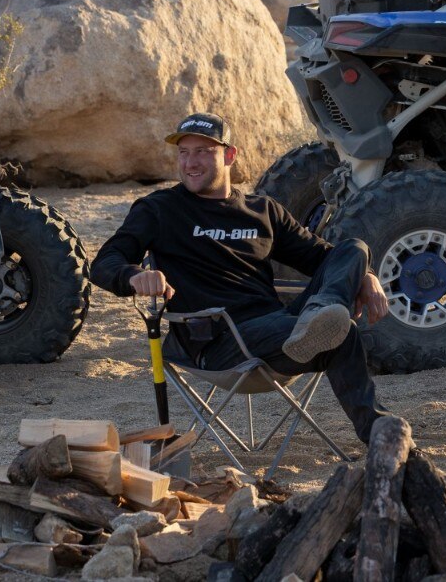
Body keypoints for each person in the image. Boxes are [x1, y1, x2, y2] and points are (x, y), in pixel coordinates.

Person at [90, 112, 393, 444]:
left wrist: (367, 276)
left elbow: (324, 256)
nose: (191, 162)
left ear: (229, 155)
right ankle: (322, 320)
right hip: (218, 341)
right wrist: (135, 276)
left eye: (203, 151)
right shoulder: (159, 209)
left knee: (353, 249)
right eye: (184, 152)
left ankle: (378, 432)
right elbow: (105, 262)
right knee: (341, 327)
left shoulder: (262, 210)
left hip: (280, 332)